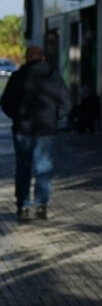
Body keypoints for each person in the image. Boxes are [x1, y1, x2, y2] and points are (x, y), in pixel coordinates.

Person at [1, 46, 70, 221]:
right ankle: (41, 205)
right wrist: (54, 117)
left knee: (23, 167)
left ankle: (23, 206)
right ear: (43, 58)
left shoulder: (17, 77)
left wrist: (17, 117)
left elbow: (6, 103)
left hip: (22, 129)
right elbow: (67, 103)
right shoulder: (54, 77)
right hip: (46, 129)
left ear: (26, 58)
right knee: (43, 167)